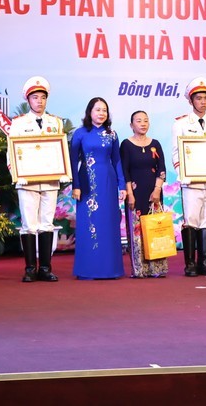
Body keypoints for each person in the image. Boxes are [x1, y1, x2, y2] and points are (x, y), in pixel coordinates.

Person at [9, 76, 67, 283]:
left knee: (46, 223)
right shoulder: (18, 123)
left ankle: (45, 268)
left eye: (43, 97)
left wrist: (62, 171)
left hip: (50, 180)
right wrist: (18, 173)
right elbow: (11, 152)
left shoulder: (55, 122)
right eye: (35, 97)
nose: (39, 101)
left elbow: (60, 150)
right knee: (28, 224)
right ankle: (29, 268)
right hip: (27, 181)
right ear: (28, 100)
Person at [171, 77, 206, 277]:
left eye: (205, 98)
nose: (203, 102)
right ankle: (190, 264)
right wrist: (182, 174)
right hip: (191, 182)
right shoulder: (182, 123)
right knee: (192, 221)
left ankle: (204, 263)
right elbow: (177, 152)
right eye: (198, 98)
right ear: (190, 101)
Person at [70, 97, 126, 279]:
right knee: (89, 224)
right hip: (87, 184)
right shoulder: (80, 133)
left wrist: (122, 185)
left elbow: (117, 161)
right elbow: (72, 161)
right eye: (97, 110)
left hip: (108, 183)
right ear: (89, 112)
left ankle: (110, 269)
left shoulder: (112, 134)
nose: (101, 113)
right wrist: (76, 185)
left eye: (104, 110)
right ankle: (88, 269)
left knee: (108, 223)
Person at [120, 110, 169, 278]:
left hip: (154, 193)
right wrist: (130, 194)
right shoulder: (126, 144)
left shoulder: (155, 143)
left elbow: (161, 169)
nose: (143, 124)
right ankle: (140, 269)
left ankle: (157, 268)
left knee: (156, 229)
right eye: (139, 121)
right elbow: (124, 170)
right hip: (135, 193)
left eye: (146, 120)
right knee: (137, 231)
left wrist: (157, 190)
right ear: (131, 125)